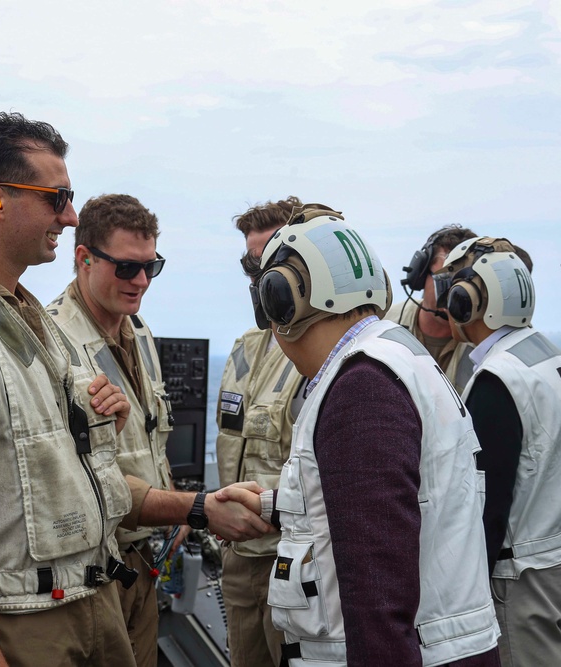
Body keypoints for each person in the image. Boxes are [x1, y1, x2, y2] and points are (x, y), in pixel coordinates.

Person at [0, 112, 270, 667]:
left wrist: (188, 500)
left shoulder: (32, 324)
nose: (71, 214)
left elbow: (85, 480)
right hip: (20, 626)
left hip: (93, 603)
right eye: (56, 197)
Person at [222, 205, 501, 666]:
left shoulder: (361, 389)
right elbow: (385, 506)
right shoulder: (393, 359)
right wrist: (274, 507)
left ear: (279, 302)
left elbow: (378, 596)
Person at [435, 236, 561, 666]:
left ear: (470, 303)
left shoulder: (497, 379)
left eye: (451, 293)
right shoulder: (552, 357)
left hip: (522, 575)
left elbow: (487, 499)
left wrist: (466, 588)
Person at [46, 193, 175, 667]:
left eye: (151, 267)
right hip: (94, 572)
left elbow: (151, 434)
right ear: (84, 258)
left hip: (145, 560)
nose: (141, 281)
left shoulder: (137, 332)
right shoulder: (50, 341)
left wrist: (172, 502)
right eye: (126, 268)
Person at [215, 196, 304, 667]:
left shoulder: (320, 354)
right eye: (252, 265)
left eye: (269, 261)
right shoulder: (245, 348)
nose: (259, 277)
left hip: (290, 562)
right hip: (239, 557)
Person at [388, 225, 478, 391]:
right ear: (420, 276)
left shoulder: (482, 343)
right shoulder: (385, 324)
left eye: (462, 285)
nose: (453, 294)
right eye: (444, 281)